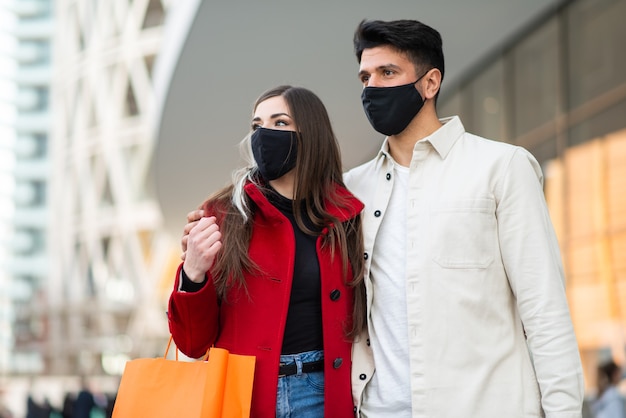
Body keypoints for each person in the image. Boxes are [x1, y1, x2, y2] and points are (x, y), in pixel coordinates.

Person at [344, 19, 585, 417]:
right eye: (365, 77)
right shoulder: (351, 189)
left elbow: (544, 309)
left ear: (430, 82)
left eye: (388, 73)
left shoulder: (501, 167)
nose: (372, 88)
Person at [168, 85, 366, 417]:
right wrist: (193, 273)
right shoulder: (222, 212)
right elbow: (192, 343)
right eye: (257, 126)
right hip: (243, 395)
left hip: (321, 391)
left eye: (279, 123)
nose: (264, 135)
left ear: (311, 134)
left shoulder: (346, 216)